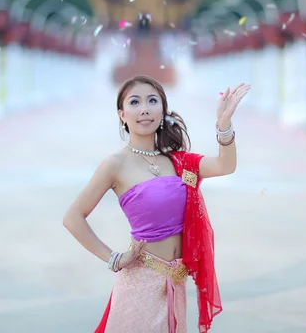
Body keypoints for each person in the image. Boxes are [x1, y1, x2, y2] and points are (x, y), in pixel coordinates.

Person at [63, 75, 250, 333]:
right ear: (122, 114)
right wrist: (114, 258)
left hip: (175, 284)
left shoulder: (179, 162)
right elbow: (73, 217)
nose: (144, 109)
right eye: (135, 102)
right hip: (139, 284)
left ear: (162, 110)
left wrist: (224, 124)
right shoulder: (115, 164)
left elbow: (224, 165)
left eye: (152, 101)